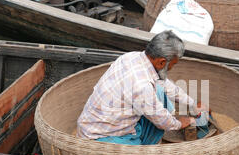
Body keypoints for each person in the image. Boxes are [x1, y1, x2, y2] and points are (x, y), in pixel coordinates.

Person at [76, 30, 208, 145]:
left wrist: (193, 104)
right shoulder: (142, 85)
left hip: (94, 123)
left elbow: (166, 85)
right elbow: (163, 121)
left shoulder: (131, 56)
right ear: (162, 62)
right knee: (138, 153)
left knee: (160, 91)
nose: (171, 68)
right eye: (172, 65)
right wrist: (182, 123)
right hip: (99, 137)